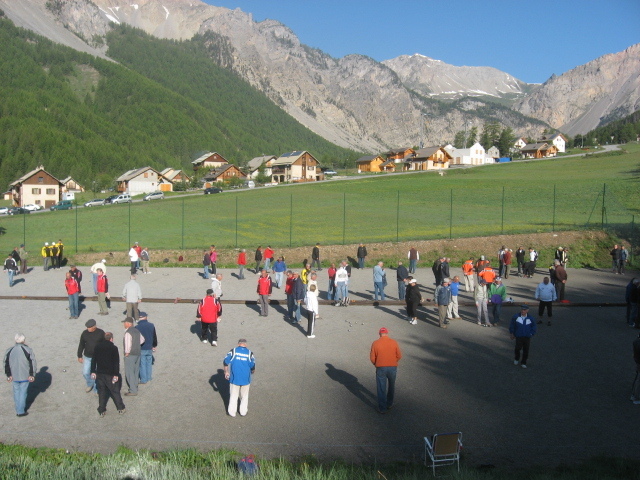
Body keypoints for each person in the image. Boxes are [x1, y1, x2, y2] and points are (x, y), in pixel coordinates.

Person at [90, 332, 126, 416]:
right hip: (110, 374)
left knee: (102, 392)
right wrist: (116, 374)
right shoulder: (113, 348)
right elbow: (116, 362)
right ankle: (120, 408)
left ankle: (102, 410)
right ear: (111, 339)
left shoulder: (97, 347)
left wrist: (93, 371)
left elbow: (93, 360)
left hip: (100, 373)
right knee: (115, 391)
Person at [370, 327, 402, 414]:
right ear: (387, 333)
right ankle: (389, 403)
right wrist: (393, 361)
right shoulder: (394, 342)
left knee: (381, 388)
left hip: (380, 367)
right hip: (392, 367)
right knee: (391, 386)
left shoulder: (375, 343)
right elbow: (399, 355)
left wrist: (376, 364)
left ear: (379, 334)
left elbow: (372, 358)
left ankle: (382, 408)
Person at [4, 333, 36, 417]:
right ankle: (20, 411)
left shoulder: (9, 350)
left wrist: (8, 375)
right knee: (23, 393)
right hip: (24, 375)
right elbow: (32, 362)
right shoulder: (28, 350)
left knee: (16, 392)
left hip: (14, 376)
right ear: (23, 340)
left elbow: (6, 363)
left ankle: (18, 409)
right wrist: (32, 374)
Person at [224, 338, 256, 417]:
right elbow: (253, 366)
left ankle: (232, 412)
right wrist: (252, 371)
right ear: (246, 345)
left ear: (238, 344)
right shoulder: (250, 353)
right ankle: (243, 412)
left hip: (234, 379)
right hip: (246, 379)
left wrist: (226, 371)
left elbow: (225, 361)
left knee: (233, 396)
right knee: (244, 396)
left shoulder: (233, 351)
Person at [77, 319, 105, 394]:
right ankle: (90, 383)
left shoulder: (101, 333)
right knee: (85, 372)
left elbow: (105, 344)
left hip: (98, 357)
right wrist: (79, 355)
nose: (88, 329)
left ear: (94, 326)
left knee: (95, 373)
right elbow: (81, 344)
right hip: (87, 357)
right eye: (87, 327)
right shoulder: (84, 333)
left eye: (89, 327)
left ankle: (96, 389)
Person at [122, 317, 144, 396]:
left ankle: (133, 390)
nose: (124, 324)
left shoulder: (128, 332)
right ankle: (135, 386)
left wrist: (127, 352)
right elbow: (142, 340)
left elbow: (128, 344)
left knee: (129, 372)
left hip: (130, 354)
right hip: (137, 353)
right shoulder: (137, 331)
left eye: (124, 323)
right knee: (136, 371)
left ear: (128, 323)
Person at [135, 312, 157, 384]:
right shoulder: (151, 325)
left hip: (142, 347)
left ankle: (144, 379)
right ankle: (149, 377)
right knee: (149, 363)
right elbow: (154, 336)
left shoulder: (137, 327)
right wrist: (154, 345)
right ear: (145, 317)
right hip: (149, 347)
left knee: (142, 364)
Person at [631, 334, 640, 405]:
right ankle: (636, 397)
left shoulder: (636, 341)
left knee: (637, 378)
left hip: (638, 362)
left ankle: (634, 394)